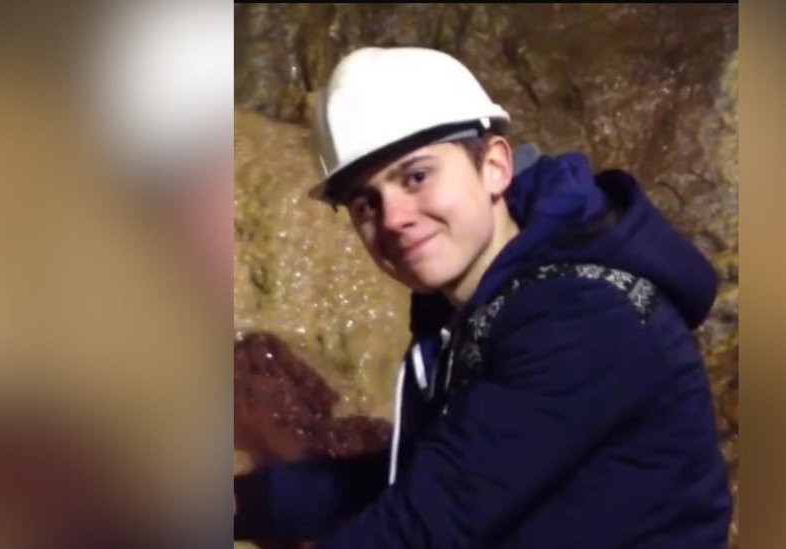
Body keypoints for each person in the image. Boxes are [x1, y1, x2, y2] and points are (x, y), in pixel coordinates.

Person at [234, 46, 732, 549]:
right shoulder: (479, 310)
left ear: (494, 165)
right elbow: (420, 476)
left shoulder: (584, 316)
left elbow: (427, 523)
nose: (393, 218)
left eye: (416, 176)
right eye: (366, 202)